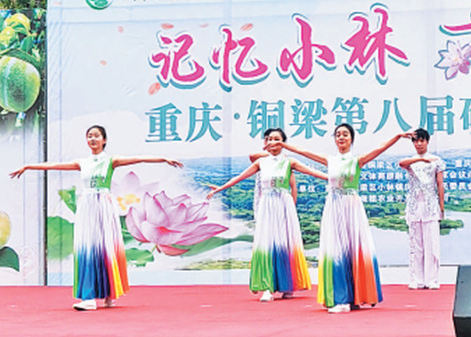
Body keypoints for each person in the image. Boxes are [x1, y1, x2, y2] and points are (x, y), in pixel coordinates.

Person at [10, 125, 182, 311]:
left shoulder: (111, 161)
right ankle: (89, 298)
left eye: (96, 136)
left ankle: (109, 295)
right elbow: (52, 165)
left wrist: (163, 159)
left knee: (107, 247)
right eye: (89, 136)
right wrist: (28, 167)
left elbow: (139, 158)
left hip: (104, 207)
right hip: (87, 207)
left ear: (104, 140)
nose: (92, 139)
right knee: (88, 248)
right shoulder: (82, 163)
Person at [274, 124, 409, 313]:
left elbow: (380, 148)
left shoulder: (357, 160)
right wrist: (284, 145)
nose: (341, 137)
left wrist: (397, 135)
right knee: (336, 251)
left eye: (345, 134)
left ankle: (355, 297)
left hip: (352, 208)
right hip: (333, 207)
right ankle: (342, 299)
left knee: (354, 250)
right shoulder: (330, 160)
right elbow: (304, 152)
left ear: (351, 138)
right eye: (338, 134)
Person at [207, 128, 327, 302]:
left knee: (285, 243)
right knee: (267, 243)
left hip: (284, 205)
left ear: (283, 142)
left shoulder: (289, 162)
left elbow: (313, 172)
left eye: (277, 139)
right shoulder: (261, 162)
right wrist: (219, 189)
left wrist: (336, 179)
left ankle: (288, 285)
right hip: (267, 205)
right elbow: (239, 177)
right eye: (269, 139)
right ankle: (267, 287)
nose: (272, 142)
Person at [398, 128, 445, 290]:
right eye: (416, 141)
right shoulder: (410, 161)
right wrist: (420, 160)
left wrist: (441, 207)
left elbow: (440, 184)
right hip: (414, 206)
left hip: (430, 206)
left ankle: (432, 279)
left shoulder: (436, 161)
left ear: (427, 141)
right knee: (415, 244)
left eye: (422, 140)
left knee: (431, 244)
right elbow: (401, 163)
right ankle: (416, 279)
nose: (419, 144)